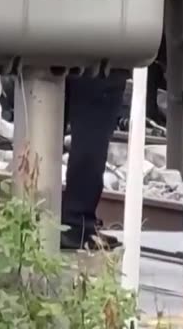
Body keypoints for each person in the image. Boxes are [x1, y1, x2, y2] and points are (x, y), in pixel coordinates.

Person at [55, 70, 126, 251]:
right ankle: (77, 224)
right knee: (93, 127)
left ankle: (31, 214)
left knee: (41, 108)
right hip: (101, 51)